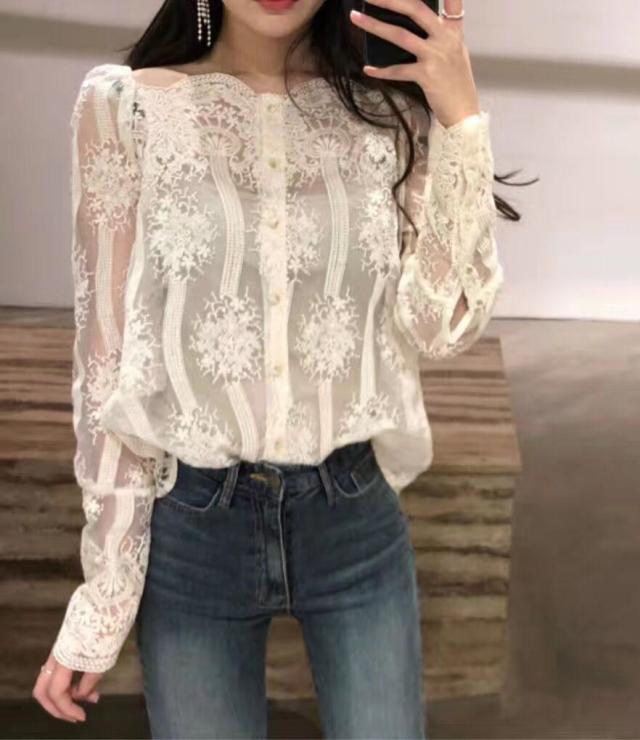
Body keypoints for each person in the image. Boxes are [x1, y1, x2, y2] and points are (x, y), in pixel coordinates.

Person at [33, 0, 510, 736]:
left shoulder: (389, 113)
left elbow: (441, 326)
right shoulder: (126, 110)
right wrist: (104, 597)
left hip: (353, 519)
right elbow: (106, 366)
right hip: (193, 531)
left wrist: (460, 119)